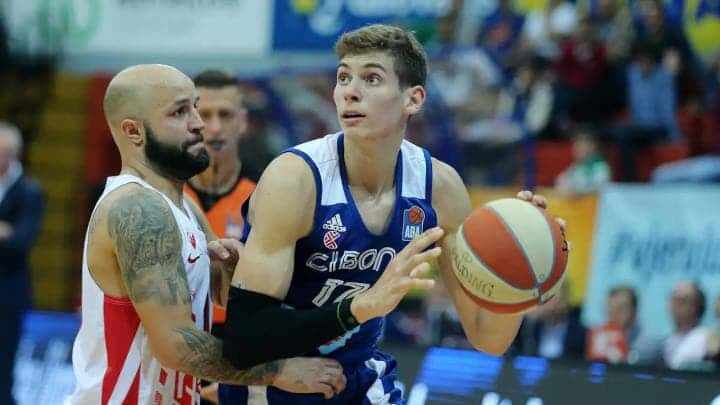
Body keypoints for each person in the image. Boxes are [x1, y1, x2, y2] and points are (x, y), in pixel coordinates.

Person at [219, 25, 564, 404]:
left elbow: (488, 338)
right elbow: (244, 337)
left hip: (357, 378)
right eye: (343, 78)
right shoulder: (296, 179)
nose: (350, 91)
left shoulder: (440, 187)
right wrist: (362, 307)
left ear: (413, 99)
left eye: (371, 79)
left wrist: (520, 270)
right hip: (271, 380)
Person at [66, 64, 347, 405]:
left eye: (194, 107)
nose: (199, 123)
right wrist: (277, 371)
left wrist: (236, 273)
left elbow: (222, 302)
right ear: (134, 131)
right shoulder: (137, 208)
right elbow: (176, 346)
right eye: (180, 112)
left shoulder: (184, 206)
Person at [183, 70, 257, 404]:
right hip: (173, 338)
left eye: (225, 115)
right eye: (205, 115)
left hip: (238, 347)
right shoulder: (164, 192)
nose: (214, 128)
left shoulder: (268, 191)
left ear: (242, 121)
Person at [0, 122, 45, 405]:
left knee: (3, 365)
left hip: (8, 293)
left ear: (13, 154)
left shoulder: (29, 191)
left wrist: (9, 234)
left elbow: (21, 241)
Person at [664, 281, 712, 370]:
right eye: (673, 299)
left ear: (697, 306)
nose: (674, 305)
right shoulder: (668, 340)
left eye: (682, 300)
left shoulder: (703, 338)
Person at [555, 128, 610, 196]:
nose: (576, 148)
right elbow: (560, 182)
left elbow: (598, 187)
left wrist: (577, 191)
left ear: (592, 147)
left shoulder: (600, 167)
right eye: (576, 144)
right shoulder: (576, 167)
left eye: (581, 145)